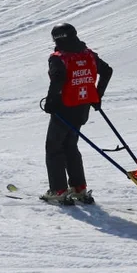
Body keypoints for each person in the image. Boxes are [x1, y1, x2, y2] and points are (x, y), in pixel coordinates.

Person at [41, 23, 112, 204]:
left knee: (54, 148)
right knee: (70, 145)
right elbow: (107, 71)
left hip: (64, 107)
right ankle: (79, 188)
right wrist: (97, 96)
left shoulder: (59, 58)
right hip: (83, 107)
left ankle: (58, 190)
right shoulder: (88, 54)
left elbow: (58, 79)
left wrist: (51, 101)